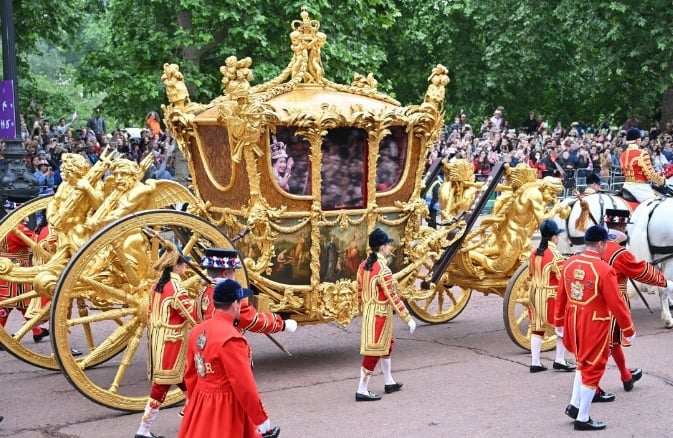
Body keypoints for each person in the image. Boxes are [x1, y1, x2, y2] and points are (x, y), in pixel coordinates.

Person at [554, 226, 636, 431]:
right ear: (600, 244)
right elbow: (617, 304)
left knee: (582, 364)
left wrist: (558, 321)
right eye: (605, 243)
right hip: (595, 323)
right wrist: (628, 328)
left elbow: (561, 295)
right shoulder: (604, 269)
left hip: (573, 319)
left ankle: (574, 405)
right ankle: (582, 417)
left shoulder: (570, 262)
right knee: (593, 368)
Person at [178, 279, 280, 438]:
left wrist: (194, 403)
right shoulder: (232, 338)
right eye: (241, 302)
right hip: (225, 405)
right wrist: (261, 419)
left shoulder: (197, 331)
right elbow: (244, 385)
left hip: (200, 400)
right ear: (234, 304)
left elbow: (190, 375)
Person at [600, 209, 673, 394]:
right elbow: (641, 271)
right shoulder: (619, 252)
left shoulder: (595, 245)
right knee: (601, 350)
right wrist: (666, 282)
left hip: (593, 298)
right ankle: (590, 387)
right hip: (613, 301)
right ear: (622, 226)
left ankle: (626, 376)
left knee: (613, 341)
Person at [135, 243, 195, 438]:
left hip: (159, 342)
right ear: (176, 266)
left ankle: (192, 419)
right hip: (173, 344)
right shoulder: (177, 287)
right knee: (161, 388)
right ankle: (143, 431)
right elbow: (192, 315)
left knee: (191, 383)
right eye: (183, 263)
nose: (186, 266)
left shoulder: (157, 285)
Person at [355, 228, 417, 401]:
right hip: (380, 315)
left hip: (370, 312)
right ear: (382, 248)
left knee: (387, 345)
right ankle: (362, 389)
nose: (390, 247)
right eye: (388, 244)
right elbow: (393, 297)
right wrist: (407, 318)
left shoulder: (362, 265)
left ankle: (389, 381)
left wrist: (362, 309)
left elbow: (359, 291)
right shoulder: (383, 269)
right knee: (374, 351)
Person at [197, 247, 297, 334]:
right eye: (233, 271)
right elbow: (253, 320)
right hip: (225, 344)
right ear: (225, 273)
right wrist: (283, 324)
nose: (235, 275)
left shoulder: (203, 292)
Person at [527, 220, 576, 373]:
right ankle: (559, 360)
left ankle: (535, 362)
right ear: (554, 237)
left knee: (537, 328)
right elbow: (563, 278)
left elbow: (530, 273)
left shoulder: (534, 253)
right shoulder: (556, 255)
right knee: (560, 328)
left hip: (535, 295)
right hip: (551, 296)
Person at [620, 127, 664, 202]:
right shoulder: (642, 153)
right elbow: (651, 175)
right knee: (658, 204)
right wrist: (663, 181)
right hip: (640, 189)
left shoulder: (622, 155)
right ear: (638, 140)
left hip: (626, 186)